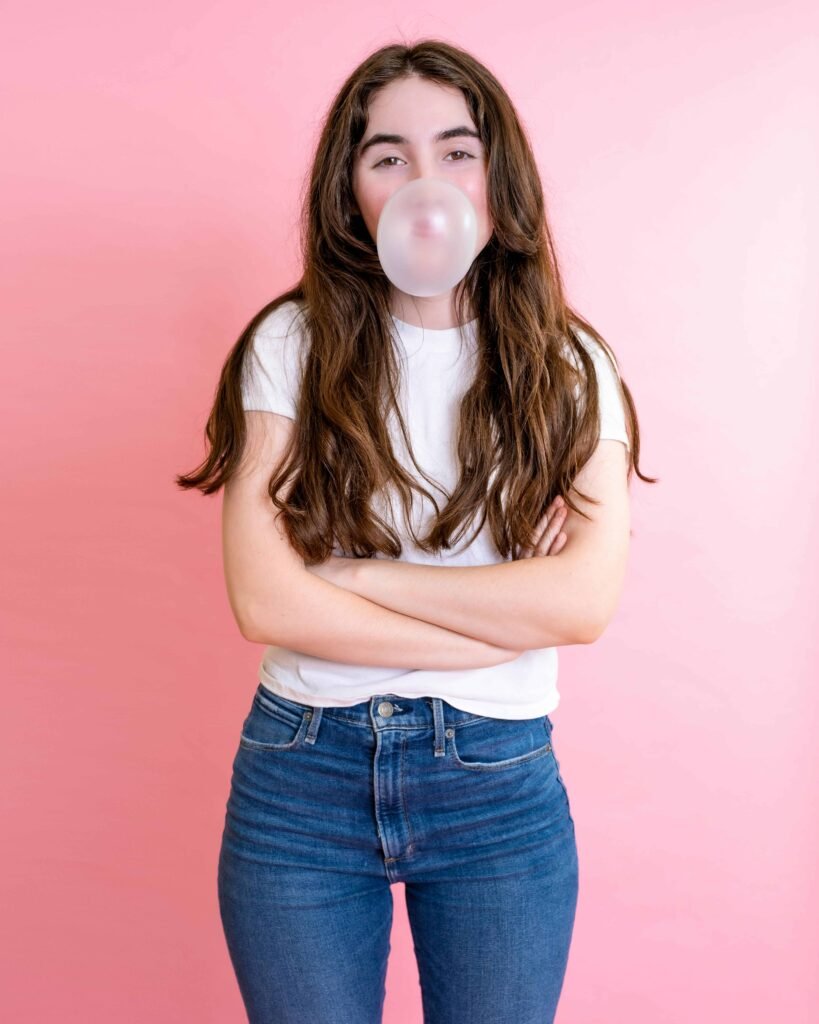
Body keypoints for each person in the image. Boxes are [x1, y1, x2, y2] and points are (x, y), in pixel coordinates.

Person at [177, 38, 654, 1024]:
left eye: (456, 150)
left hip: (499, 785)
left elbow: (583, 604)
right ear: (350, 187)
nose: (422, 181)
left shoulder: (571, 367)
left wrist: (355, 576)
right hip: (301, 773)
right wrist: (500, 621)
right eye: (387, 155)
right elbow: (265, 601)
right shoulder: (289, 345)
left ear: (498, 177)